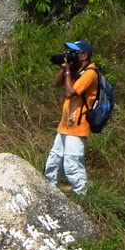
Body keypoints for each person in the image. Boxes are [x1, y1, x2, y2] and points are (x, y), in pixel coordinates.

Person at [44, 40, 99, 197]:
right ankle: (49, 191)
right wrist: (64, 69)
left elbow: (71, 92)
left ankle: (82, 196)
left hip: (78, 126)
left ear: (84, 55)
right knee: (54, 160)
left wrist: (68, 72)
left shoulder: (90, 73)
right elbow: (56, 83)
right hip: (65, 125)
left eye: (75, 52)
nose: (71, 55)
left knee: (72, 163)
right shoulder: (77, 70)